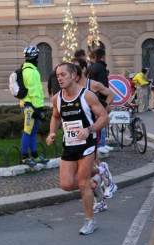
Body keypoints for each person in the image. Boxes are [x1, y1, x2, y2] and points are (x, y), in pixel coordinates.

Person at [46, 62, 110, 235]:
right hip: (70, 145)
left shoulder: (87, 96)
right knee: (66, 185)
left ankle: (90, 221)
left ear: (74, 76)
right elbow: (56, 117)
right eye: (57, 75)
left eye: (63, 75)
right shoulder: (57, 98)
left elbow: (104, 118)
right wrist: (52, 132)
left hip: (87, 144)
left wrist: (89, 130)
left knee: (82, 184)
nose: (59, 78)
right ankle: (97, 178)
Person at [71, 57, 118, 206]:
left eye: (76, 67)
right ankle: (101, 182)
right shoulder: (71, 87)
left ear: (84, 69)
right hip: (77, 131)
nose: (73, 71)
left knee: (92, 159)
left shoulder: (93, 85)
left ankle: (107, 181)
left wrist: (103, 111)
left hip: (92, 128)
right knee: (87, 163)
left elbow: (111, 94)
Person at [20, 46, 50, 166]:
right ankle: (24, 157)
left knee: (33, 132)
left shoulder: (30, 70)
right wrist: (38, 109)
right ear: (34, 57)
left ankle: (35, 155)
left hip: (33, 106)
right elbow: (33, 92)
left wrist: (39, 109)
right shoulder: (31, 72)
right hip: (30, 106)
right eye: (37, 56)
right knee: (27, 132)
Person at [88, 48, 111, 154]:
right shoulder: (100, 68)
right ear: (103, 57)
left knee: (99, 119)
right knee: (101, 119)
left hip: (95, 96)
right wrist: (105, 101)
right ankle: (101, 143)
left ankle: (102, 143)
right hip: (100, 98)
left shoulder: (93, 67)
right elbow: (103, 85)